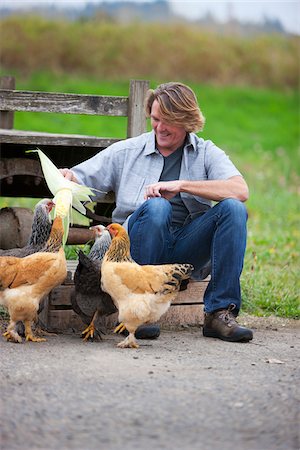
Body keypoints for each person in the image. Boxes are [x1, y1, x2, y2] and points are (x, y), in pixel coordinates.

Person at [61, 82, 253, 343]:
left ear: (187, 121)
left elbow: (239, 189)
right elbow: (79, 178)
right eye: (155, 119)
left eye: (168, 121)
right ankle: (136, 310)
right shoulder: (128, 151)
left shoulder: (206, 152)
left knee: (233, 208)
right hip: (136, 249)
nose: (160, 128)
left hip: (184, 249)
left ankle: (219, 312)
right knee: (157, 206)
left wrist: (182, 184)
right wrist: (68, 177)